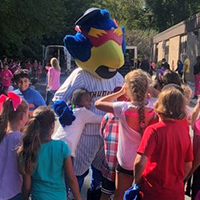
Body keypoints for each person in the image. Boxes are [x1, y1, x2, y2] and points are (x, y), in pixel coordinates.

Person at [95, 69, 157, 200]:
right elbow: (169, 94)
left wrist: (120, 92)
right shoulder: (155, 105)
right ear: (147, 87)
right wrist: (151, 91)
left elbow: (98, 103)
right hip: (145, 161)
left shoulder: (122, 107)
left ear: (128, 88)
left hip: (125, 161)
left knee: (120, 196)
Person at [134, 87, 193, 200]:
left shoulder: (153, 130)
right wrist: (177, 180)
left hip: (153, 191)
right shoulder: (184, 133)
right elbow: (188, 165)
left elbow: (140, 162)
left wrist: (136, 180)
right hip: (176, 192)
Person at [18, 106, 82, 200]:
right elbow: (71, 178)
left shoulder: (28, 149)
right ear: (52, 126)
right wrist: (78, 198)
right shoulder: (62, 147)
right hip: (59, 197)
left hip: (38, 196)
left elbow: (27, 185)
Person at [53, 88, 103, 157]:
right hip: (65, 149)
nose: (90, 102)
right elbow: (101, 119)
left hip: (55, 143)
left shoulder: (69, 109)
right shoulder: (82, 112)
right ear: (79, 101)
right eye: (87, 100)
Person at [0, 92, 29, 200]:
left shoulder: (2, 135)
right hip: (14, 193)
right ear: (22, 116)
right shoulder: (21, 139)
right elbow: (25, 172)